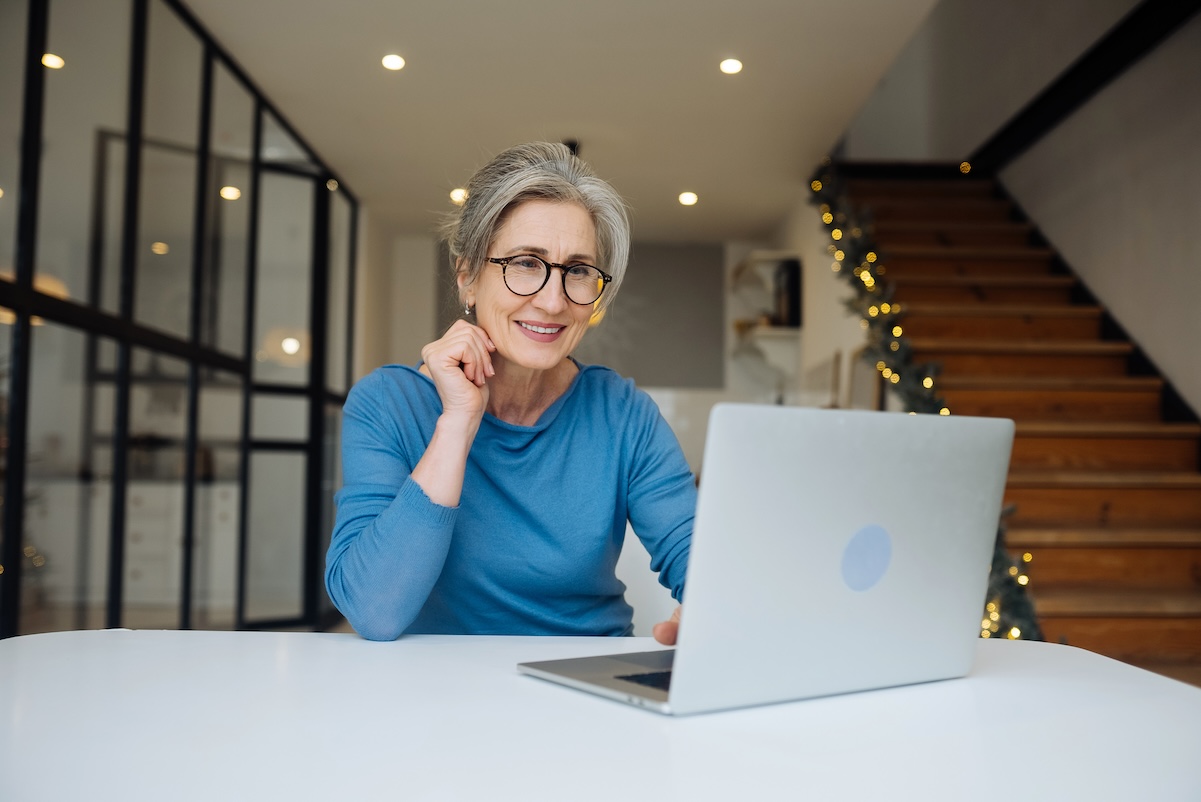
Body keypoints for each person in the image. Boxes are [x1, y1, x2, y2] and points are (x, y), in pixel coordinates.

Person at [325, 142, 694, 643]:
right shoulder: (387, 403)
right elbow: (374, 610)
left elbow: (695, 554)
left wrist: (710, 608)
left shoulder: (623, 412)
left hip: (588, 683)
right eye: (525, 263)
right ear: (467, 277)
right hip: (432, 694)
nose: (552, 300)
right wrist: (457, 421)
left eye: (578, 271)